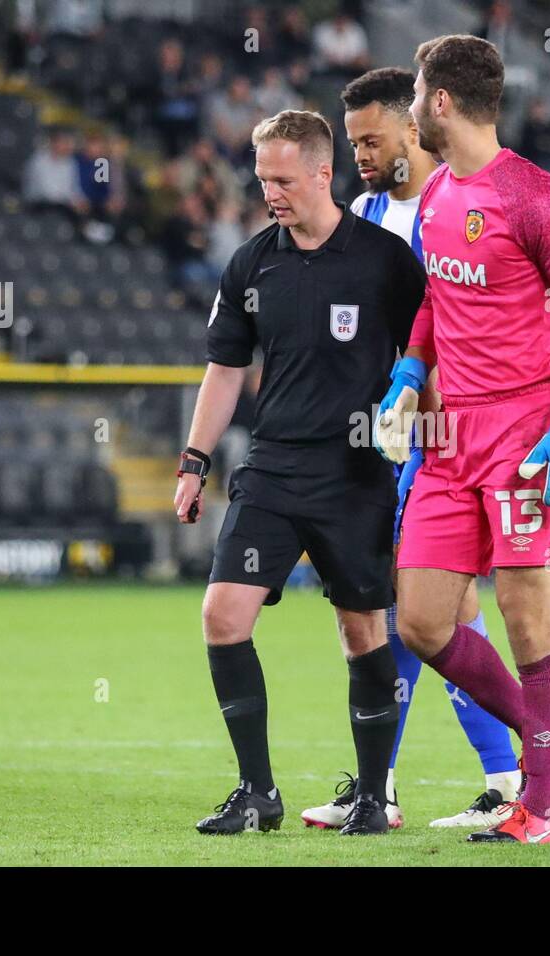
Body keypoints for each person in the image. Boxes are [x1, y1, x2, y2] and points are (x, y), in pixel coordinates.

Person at [379, 34, 550, 844]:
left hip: (525, 434)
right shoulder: (439, 191)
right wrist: (412, 372)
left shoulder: (536, 197)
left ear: (440, 101)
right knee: (419, 619)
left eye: (415, 92)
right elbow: (431, 301)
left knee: (527, 625)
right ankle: (543, 730)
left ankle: (540, 808)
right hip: (451, 440)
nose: (411, 106)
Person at [173, 110, 427, 837]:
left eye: (282, 179)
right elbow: (224, 371)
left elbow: (429, 350)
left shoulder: (384, 261)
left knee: (361, 632)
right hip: (275, 469)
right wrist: (194, 461)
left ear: (323, 172)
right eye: (262, 180)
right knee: (223, 616)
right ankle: (257, 790)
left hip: (355, 474)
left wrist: (428, 432)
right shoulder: (253, 263)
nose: (270, 192)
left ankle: (375, 797)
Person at [299, 68, 521, 833]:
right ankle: (410, 781)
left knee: (426, 607)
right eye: (352, 140)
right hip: (377, 440)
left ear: (413, 124)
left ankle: (475, 777)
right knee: (398, 609)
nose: (361, 153)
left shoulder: (453, 206)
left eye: (372, 138)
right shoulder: (361, 213)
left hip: (440, 436)